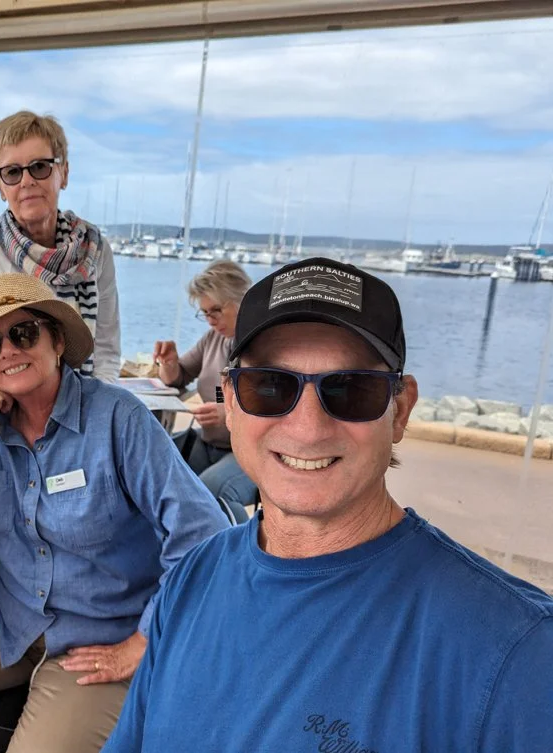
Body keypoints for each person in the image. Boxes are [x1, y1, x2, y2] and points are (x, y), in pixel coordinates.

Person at [104, 257, 553, 752]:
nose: (308, 427)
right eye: (271, 386)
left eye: (351, 389)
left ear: (399, 411)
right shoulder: (192, 581)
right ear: (230, 401)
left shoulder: (518, 652)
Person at [0, 273, 228, 753]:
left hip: (104, 631)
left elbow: (204, 535)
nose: (7, 351)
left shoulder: (118, 419)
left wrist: (146, 640)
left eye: (23, 333)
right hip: (11, 615)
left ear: (57, 341)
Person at [0, 111, 121, 408]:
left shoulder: (94, 249)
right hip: (6, 422)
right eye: (13, 172)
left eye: (40, 167)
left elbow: (105, 350)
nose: (26, 181)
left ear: (63, 173)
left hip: (82, 412)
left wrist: (94, 422)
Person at [153, 260, 257, 520]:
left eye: (216, 311)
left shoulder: (262, 346)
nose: (210, 321)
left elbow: (278, 409)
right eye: (205, 313)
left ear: (242, 300)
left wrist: (230, 415)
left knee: (209, 492)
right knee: (154, 469)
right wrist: (168, 363)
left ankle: (238, 553)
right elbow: (178, 377)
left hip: (248, 450)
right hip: (209, 442)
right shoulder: (214, 338)